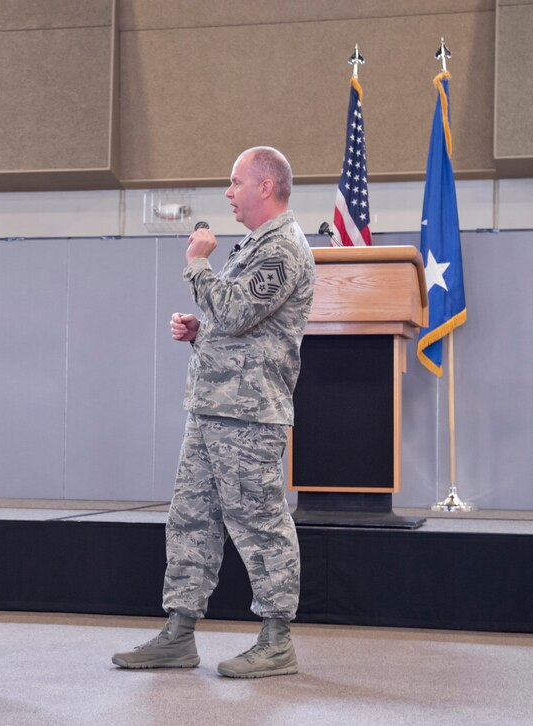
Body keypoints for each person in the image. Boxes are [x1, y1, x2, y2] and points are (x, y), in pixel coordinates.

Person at [112, 147, 316, 678]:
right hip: (211, 409)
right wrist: (201, 333)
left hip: (249, 416)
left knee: (260, 522)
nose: (228, 193)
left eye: (235, 182)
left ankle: (276, 640)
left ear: (266, 187)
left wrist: (197, 262)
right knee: (190, 520)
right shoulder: (253, 245)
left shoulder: (284, 249)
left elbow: (234, 307)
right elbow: (235, 324)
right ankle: (179, 634)